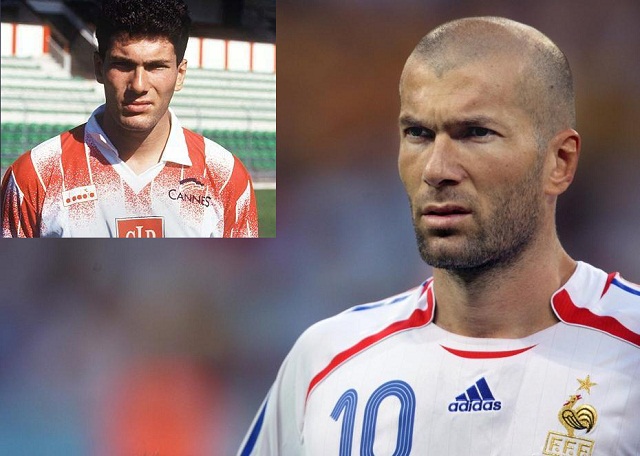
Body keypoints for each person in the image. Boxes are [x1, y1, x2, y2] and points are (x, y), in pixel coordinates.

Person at [238, 17, 640, 455]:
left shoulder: (629, 349)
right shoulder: (326, 359)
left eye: (475, 133)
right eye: (418, 134)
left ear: (559, 162)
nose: (436, 169)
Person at [0, 0, 258, 237]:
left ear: (180, 74)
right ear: (99, 67)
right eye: (123, 65)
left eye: (156, 66)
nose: (138, 84)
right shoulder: (35, 175)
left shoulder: (225, 176)